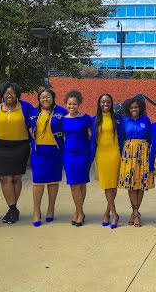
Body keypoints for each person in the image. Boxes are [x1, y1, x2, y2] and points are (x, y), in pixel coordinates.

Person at [0, 81, 34, 224]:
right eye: (7, 92)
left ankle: (12, 209)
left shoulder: (25, 107)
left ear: (17, 94)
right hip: (1, 148)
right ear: (2, 94)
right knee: (5, 178)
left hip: (20, 147)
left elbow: (36, 120)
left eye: (13, 92)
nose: (10, 95)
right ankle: (13, 208)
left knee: (16, 178)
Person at [30, 89, 67, 227]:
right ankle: (36, 211)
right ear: (39, 99)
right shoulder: (33, 113)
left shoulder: (61, 112)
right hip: (38, 151)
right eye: (42, 97)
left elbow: (69, 127)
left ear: (53, 98)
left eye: (48, 97)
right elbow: (28, 128)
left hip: (55, 150)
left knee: (53, 181)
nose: (45, 100)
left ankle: (51, 208)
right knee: (38, 181)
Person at [118, 95, 153, 227]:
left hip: (143, 153)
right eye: (132, 107)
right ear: (128, 108)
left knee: (141, 184)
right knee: (131, 184)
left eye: (136, 107)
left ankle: (135, 212)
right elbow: (121, 138)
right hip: (129, 154)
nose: (134, 109)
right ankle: (136, 212)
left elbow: (149, 137)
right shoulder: (125, 121)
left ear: (140, 108)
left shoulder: (146, 120)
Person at [91, 93, 122, 229]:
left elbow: (123, 135)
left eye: (108, 102)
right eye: (103, 102)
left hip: (115, 154)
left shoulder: (118, 118)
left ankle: (108, 212)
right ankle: (113, 213)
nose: (105, 104)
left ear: (112, 103)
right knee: (107, 184)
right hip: (101, 154)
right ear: (99, 103)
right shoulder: (94, 119)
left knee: (113, 185)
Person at [62, 90, 92, 227]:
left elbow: (93, 135)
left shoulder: (86, 118)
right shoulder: (63, 119)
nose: (71, 107)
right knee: (74, 184)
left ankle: (78, 212)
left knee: (81, 183)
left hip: (83, 153)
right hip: (69, 154)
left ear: (79, 104)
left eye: (74, 104)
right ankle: (80, 212)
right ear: (66, 104)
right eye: (69, 104)